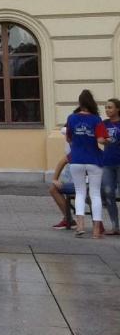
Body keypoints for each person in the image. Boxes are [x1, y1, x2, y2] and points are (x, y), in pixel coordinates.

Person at [66, 89, 108, 238]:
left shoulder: (71, 118)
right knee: (95, 194)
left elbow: (69, 138)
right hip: (94, 159)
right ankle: (96, 230)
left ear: (79, 103)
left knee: (79, 192)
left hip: (76, 159)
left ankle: (80, 226)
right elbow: (101, 140)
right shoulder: (96, 119)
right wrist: (107, 140)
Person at [101, 98, 120, 235]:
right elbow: (99, 138)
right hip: (107, 163)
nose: (107, 110)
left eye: (110, 107)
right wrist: (102, 140)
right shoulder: (104, 124)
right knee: (108, 193)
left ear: (118, 109)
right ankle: (115, 226)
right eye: (106, 107)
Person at [49, 150, 75, 230]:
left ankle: (69, 219)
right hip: (95, 187)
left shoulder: (78, 150)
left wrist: (54, 179)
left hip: (85, 187)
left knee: (53, 189)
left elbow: (63, 161)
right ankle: (69, 219)